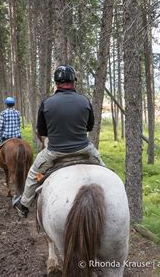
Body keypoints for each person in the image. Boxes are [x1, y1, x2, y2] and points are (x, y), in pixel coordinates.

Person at [13, 65, 105, 218]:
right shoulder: (85, 101)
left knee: (34, 175)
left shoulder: (46, 103)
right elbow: (89, 126)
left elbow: (42, 131)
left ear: (56, 83)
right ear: (74, 82)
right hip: (85, 150)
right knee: (106, 171)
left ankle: (24, 204)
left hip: (54, 153)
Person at [0, 97, 21, 171]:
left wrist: (0, 133)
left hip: (6, 137)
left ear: (6, 104)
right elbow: (19, 124)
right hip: (17, 136)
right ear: (13, 104)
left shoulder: (3, 113)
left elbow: (0, 126)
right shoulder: (17, 112)